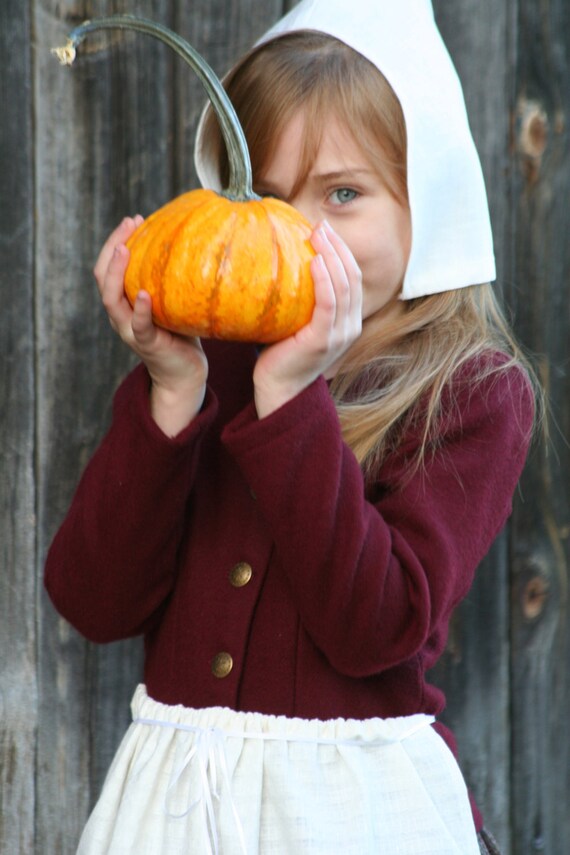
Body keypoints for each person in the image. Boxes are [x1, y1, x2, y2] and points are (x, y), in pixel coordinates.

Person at [45, 1, 539, 853]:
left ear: (430, 203)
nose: (300, 235)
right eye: (268, 197)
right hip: (175, 811)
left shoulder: (471, 393)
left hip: (354, 807)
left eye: (343, 194)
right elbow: (92, 598)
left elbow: (376, 627)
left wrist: (292, 395)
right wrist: (171, 389)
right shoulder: (211, 364)